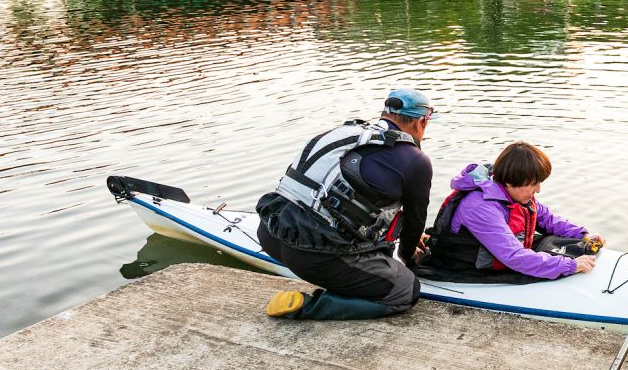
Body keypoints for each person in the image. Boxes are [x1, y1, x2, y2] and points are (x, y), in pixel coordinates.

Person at [257, 89, 436, 319]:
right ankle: (308, 306)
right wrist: (408, 257)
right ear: (422, 122)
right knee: (405, 289)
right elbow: (415, 220)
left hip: (270, 232)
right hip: (313, 256)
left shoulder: (344, 133)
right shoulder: (416, 160)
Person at [423, 142, 602, 280]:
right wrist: (570, 265)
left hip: (507, 253)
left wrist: (583, 235)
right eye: (534, 184)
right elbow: (514, 256)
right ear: (510, 181)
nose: (538, 189)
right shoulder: (480, 207)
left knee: (565, 242)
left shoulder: (515, 192)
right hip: (466, 266)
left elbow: (547, 219)